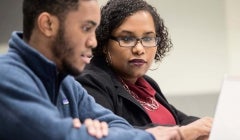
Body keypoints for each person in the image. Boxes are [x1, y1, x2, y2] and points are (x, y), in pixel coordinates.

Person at [0, 0, 183, 140]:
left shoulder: (67, 83)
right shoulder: (6, 76)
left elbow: (120, 125)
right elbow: (61, 136)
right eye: (86, 28)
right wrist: (152, 136)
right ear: (48, 25)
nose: (93, 42)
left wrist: (88, 133)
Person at [76, 0, 213, 139]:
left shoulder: (146, 83)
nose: (139, 49)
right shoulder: (90, 81)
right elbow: (111, 134)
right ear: (104, 42)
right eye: (127, 38)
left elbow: (180, 120)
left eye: (148, 38)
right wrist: (181, 133)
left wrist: (209, 126)